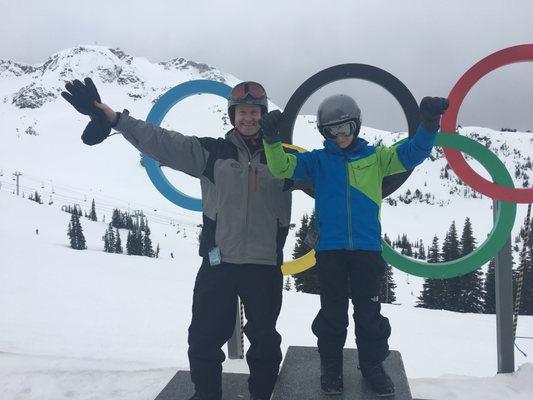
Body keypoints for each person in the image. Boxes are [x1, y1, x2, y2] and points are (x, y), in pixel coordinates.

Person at [62, 78, 298, 400]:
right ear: (232, 115)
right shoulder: (211, 152)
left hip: (263, 265)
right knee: (203, 339)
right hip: (219, 264)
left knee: (266, 342)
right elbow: (161, 141)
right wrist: (116, 119)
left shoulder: (285, 159)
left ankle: (262, 395)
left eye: (254, 112)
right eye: (241, 112)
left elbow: (333, 173)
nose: (248, 118)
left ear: (263, 115)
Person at [260, 94, 448, 397]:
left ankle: (372, 365)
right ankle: (331, 365)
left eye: (346, 127)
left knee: (369, 313)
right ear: (324, 133)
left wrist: (429, 124)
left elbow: (415, 152)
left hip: (366, 250)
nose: (340, 136)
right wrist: (271, 139)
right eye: (331, 131)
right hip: (331, 250)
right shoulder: (316, 161)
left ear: (356, 125)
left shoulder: (377, 158)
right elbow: (281, 167)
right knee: (332, 313)